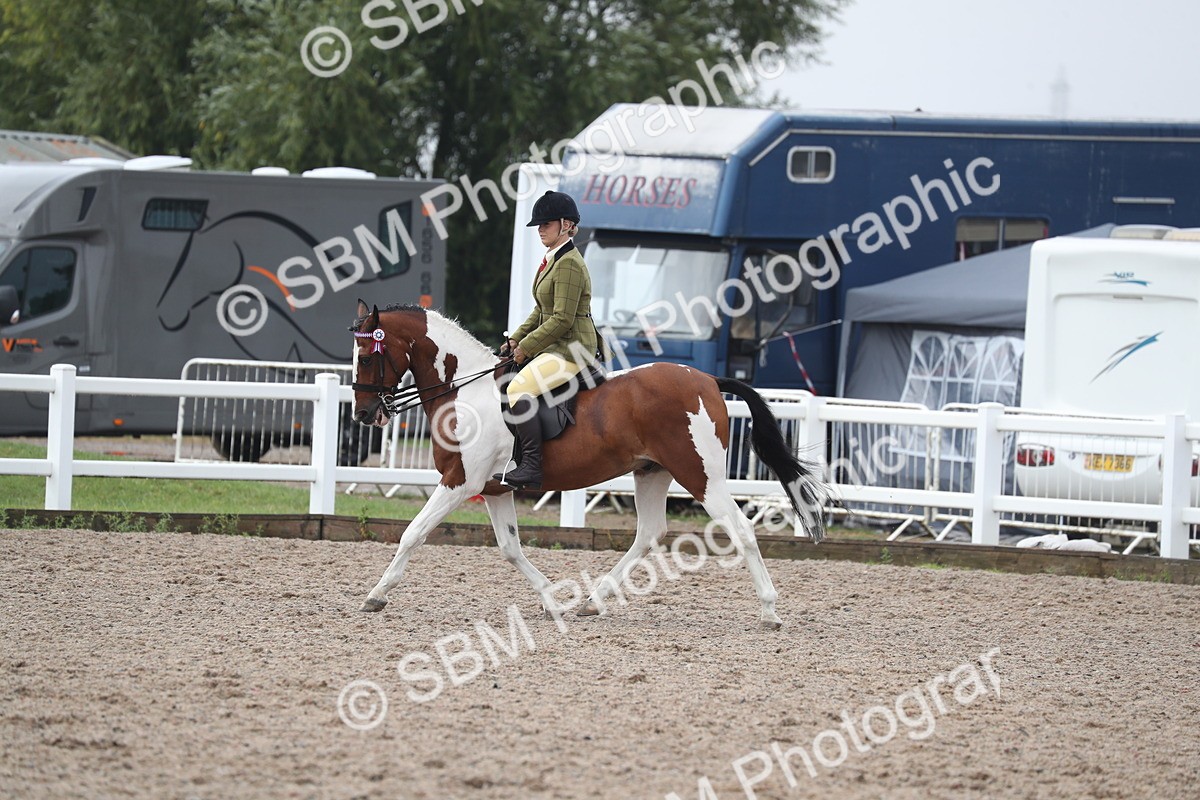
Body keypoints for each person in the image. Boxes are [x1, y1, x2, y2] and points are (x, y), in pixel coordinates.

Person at [493, 190, 598, 489]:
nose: (540, 229)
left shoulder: (569, 264)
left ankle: (531, 465)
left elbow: (562, 319)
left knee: (518, 389)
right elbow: (541, 310)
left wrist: (528, 347)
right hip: (557, 344)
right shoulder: (553, 259)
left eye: (546, 224)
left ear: (567, 225)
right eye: (539, 224)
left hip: (573, 348)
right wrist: (516, 338)